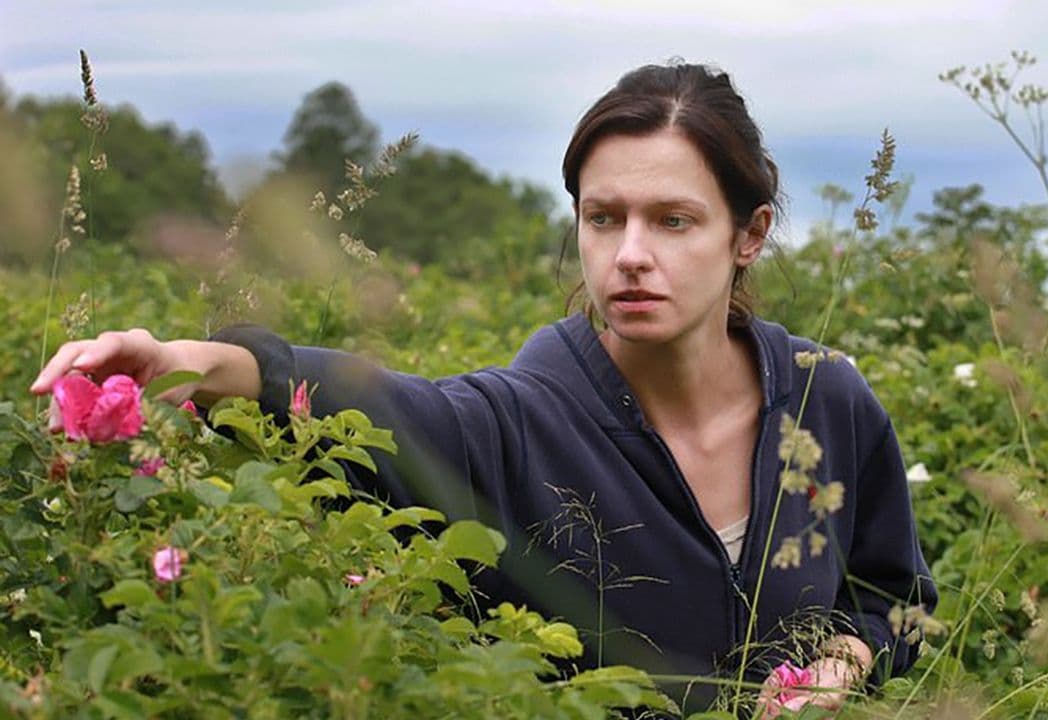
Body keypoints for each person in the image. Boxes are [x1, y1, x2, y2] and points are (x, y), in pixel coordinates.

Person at [30, 63, 936, 715]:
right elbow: (370, 401)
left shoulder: (824, 400)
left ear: (750, 234)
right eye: (602, 217)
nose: (629, 253)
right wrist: (187, 360)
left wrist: (842, 665)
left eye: (673, 220)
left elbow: (896, 597)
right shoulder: (521, 416)